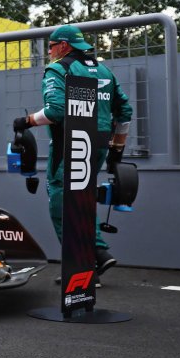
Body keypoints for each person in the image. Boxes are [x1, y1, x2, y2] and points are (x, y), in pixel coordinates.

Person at [13, 25, 132, 281]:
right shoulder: (104, 71)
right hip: (99, 145)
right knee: (83, 197)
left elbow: (55, 111)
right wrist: (117, 149)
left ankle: (86, 261)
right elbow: (125, 112)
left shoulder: (59, 69)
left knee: (60, 200)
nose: (49, 51)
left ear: (63, 46)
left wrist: (25, 121)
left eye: (51, 46)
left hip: (71, 143)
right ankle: (96, 256)